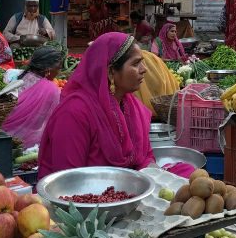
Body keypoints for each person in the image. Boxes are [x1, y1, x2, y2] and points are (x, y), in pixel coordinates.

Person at [38, 33, 155, 178]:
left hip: (131, 189)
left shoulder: (131, 106)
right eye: (136, 63)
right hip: (86, 195)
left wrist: (156, 176)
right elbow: (69, 179)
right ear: (111, 71)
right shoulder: (74, 113)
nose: (144, 69)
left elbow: (146, 157)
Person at [1, 46, 65, 149]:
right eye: (58, 68)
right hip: (26, 144)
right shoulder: (51, 90)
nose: (59, 72)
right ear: (48, 69)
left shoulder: (11, 74)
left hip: (1, 135)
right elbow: (50, 123)